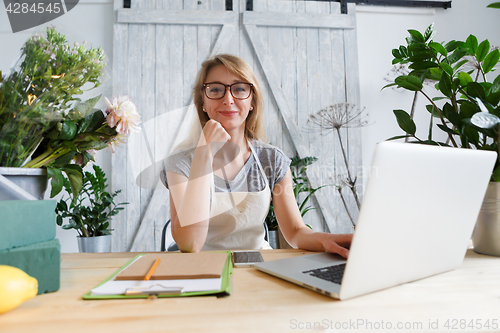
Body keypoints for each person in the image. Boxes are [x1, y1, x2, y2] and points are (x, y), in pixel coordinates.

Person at [161, 54, 352, 257]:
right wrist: (203, 155)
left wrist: (328, 240)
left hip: (260, 266)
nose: (228, 99)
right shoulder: (179, 164)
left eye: (239, 89)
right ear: (202, 103)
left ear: (252, 101)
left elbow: (295, 232)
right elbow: (190, 244)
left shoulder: (272, 160)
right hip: (204, 270)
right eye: (215, 90)